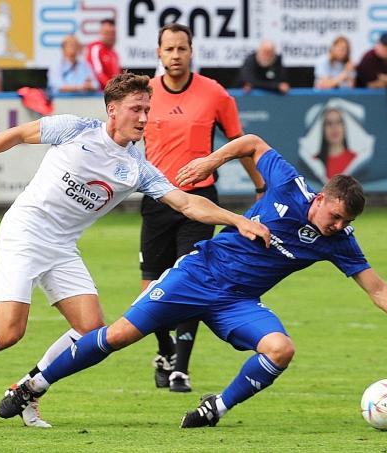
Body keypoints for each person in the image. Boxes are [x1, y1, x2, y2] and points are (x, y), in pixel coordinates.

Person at [0, 134, 387, 429]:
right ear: (322, 199)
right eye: (337, 217)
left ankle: (214, 408)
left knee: (281, 349)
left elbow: (377, 287)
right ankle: (32, 386)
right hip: (196, 275)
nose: (338, 227)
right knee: (117, 335)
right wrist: (208, 162)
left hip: (237, 301)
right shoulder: (289, 186)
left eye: (345, 223)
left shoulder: (338, 241)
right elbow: (252, 142)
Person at [0, 73, 270, 428]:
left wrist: (238, 220)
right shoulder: (75, 129)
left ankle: (28, 389)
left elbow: (187, 204)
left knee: (91, 330)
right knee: (8, 333)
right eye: (135, 109)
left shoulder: (137, 168)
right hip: (24, 232)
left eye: (147, 109)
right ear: (112, 110)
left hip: (62, 247)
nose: (144, 118)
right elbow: (16, 134)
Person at [139, 23, 266, 393]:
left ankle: (180, 367)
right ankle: (163, 350)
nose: (175, 55)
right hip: (158, 200)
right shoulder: (145, 93)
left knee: (191, 278)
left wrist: (260, 185)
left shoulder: (214, 93)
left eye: (182, 48)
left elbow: (240, 143)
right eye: (169, 49)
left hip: (202, 200)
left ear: (191, 51)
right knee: (152, 287)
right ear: (159, 54)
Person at [311, 108, 364, 180]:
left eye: (338, 122)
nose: (334, 128)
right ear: (323, 130)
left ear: (344, 127)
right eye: (329, 123)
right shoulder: (314, 163)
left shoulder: (356, 161)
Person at [86, 18, 122, 89]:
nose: (110, 36)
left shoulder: (114, 54)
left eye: (113, 33)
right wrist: (114, 88)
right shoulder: (95, 48)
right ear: (101, 33)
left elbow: (117, 75)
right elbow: (98, 73)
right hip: (99, 94)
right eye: (107, 33)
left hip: (112, 93)